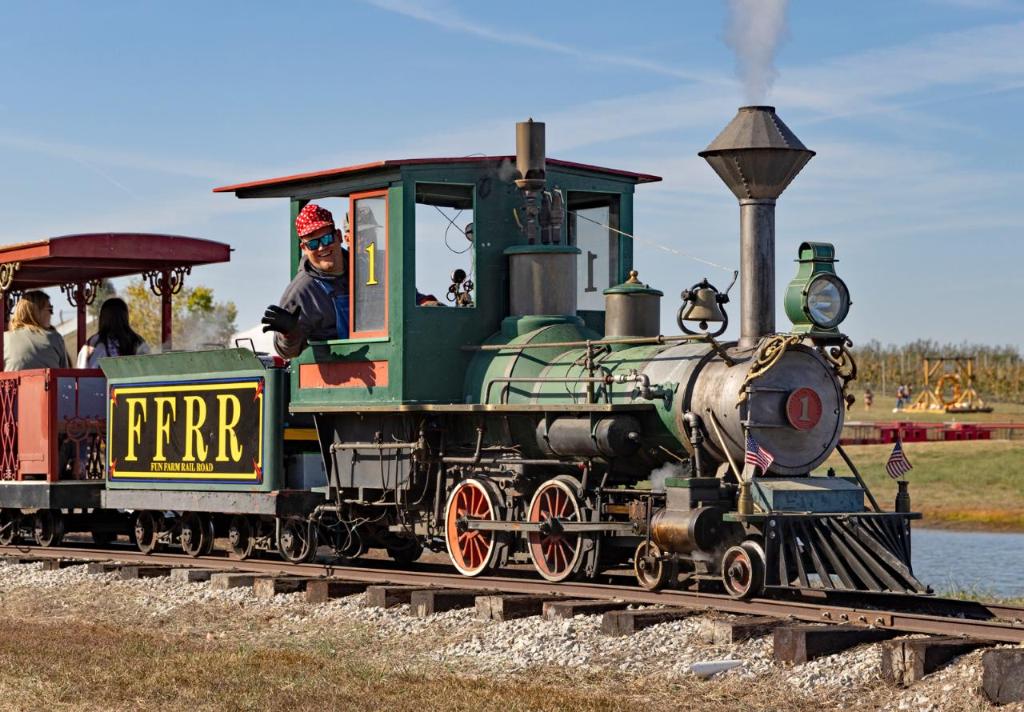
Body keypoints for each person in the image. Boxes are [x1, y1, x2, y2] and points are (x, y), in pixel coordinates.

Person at [262, 203, 350, 358]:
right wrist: (290, 333)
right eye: (313, 244)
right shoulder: (302, 291)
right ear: (304, 248)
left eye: (327, 239)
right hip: (336, 369)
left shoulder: (364, 268)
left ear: (338, 236)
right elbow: (285, 352)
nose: (322, 247)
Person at [3, 290, 70, 370]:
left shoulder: (4, 339)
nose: (51, 314)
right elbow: (65, 374)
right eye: (50, 309)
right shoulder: (54, 338)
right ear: (36, 311)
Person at [76, 297, 150, 368]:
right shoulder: (137, 342)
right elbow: (149, 368)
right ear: (125, 317)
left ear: (102, 318)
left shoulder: (92, 344)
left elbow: (81, 372)